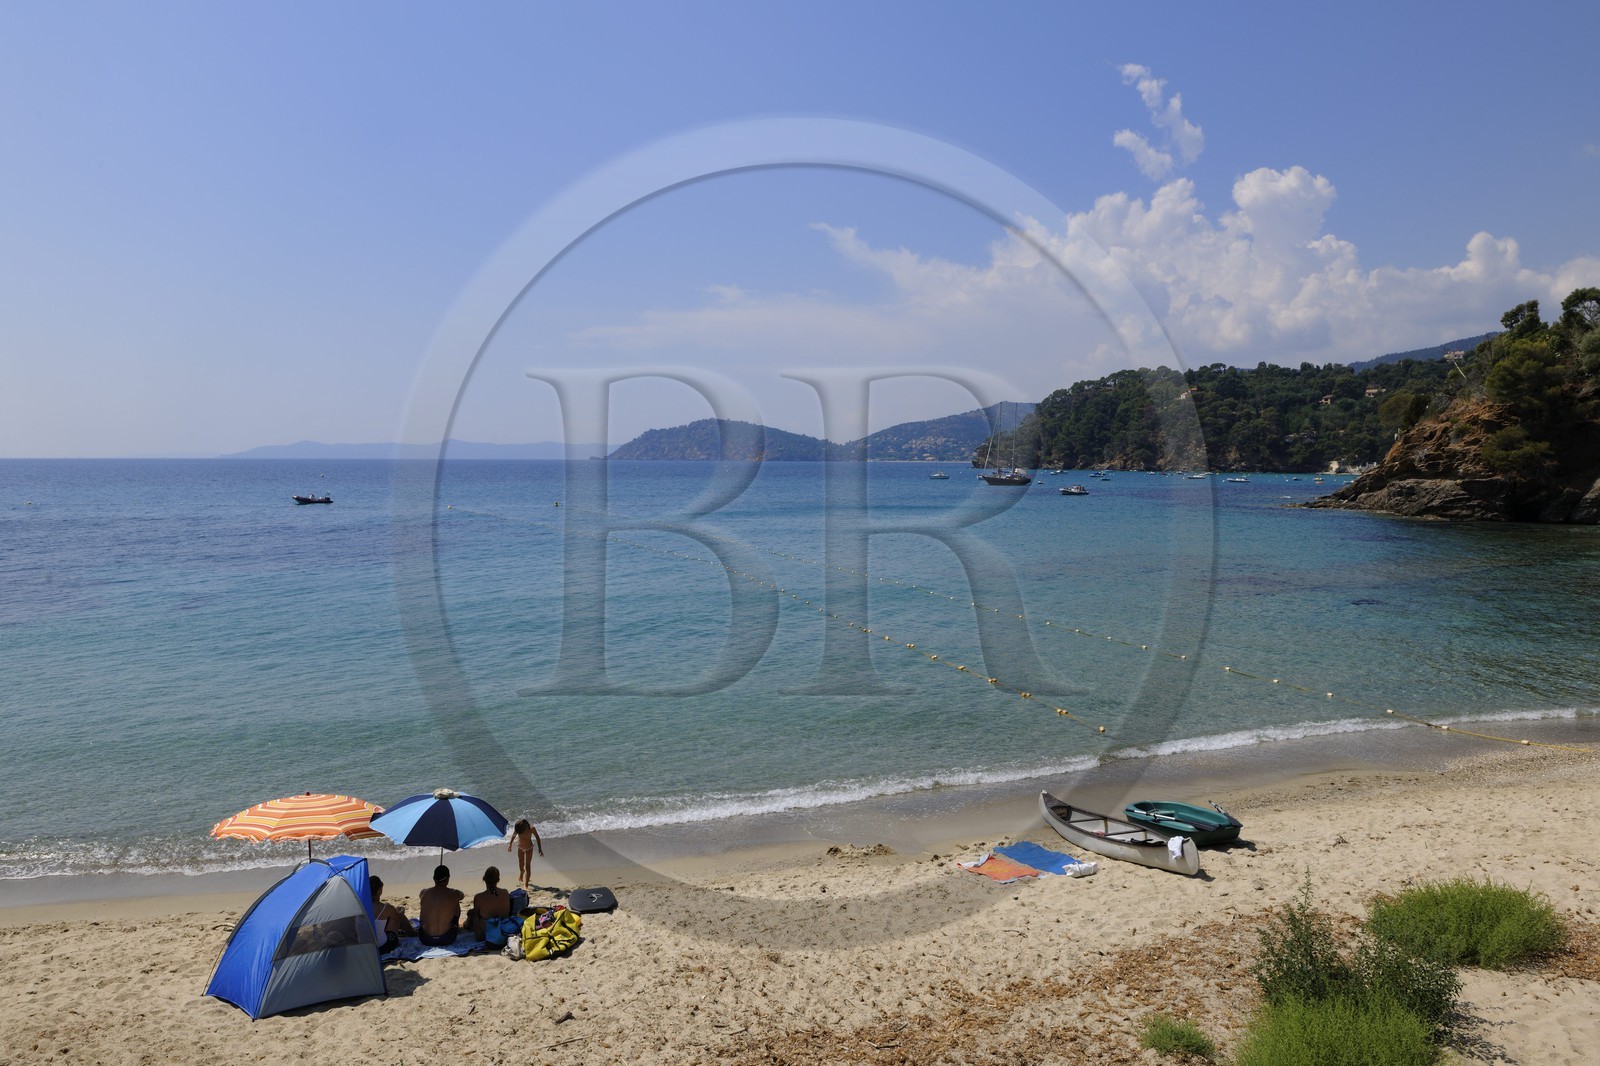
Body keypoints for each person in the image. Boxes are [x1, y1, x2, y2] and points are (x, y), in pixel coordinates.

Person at [417, 864, 465, 946]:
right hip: (447, 938)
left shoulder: (424, 893)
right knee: (456, 903)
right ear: (448, 878)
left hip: (425, 939)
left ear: (433, 878)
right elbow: (462, 895)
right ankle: (453, 926)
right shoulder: (454, 893)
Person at [464, 866, 512, 940]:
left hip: (487, 930)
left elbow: (476, 915)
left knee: (473, 914)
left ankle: (475, 933)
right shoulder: (505, 892)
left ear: (484, 879)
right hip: (503, 928)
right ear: (498, 880)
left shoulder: (479, 897)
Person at [369, 876, 414, 952]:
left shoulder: (361, 906)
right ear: (379, 890)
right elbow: (399, 917)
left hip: (367, 948)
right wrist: (402, 909)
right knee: (398, 912)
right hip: (383, 947)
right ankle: (412, 933)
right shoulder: (385, 907)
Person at [508, 817, 543, 889]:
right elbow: (514, 835)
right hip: (520, 847)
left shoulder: (531, 828)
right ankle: (521, 872)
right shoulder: (518, 828)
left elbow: (537, 837)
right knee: (521, 862)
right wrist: (510, 844)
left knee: (527, 865)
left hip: (529, 848)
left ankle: (526, 885)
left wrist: (540, 849)